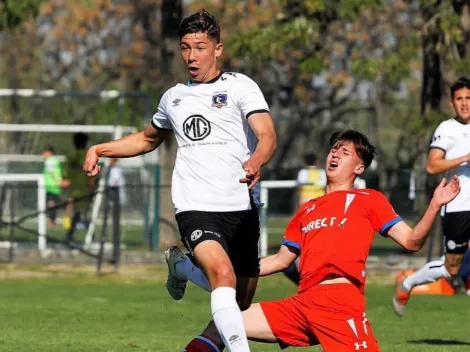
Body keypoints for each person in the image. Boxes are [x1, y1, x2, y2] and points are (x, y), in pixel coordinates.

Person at [82, 9, 277, 352]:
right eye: (185, 47)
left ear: (217, 49)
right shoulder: (174, 97)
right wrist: (101, 148)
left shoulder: (240, 86)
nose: (191, 56)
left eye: (200, 47)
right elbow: (147, 139)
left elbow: (267, 135)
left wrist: (257, 159)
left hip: (241, 206)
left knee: (241, 300)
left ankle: (184, 270)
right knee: (224, 276)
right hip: (195, 205)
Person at [172, 129, 459, 352]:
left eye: (345, 152)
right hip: (301, 304)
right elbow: (281, 260)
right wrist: (232, 270)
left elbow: (411, 242)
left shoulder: (369, 200)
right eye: (334, 149)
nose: (335, 154)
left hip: (339, 305)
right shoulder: (306, 209)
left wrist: (435, 204)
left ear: (359, 168)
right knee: (224, 322)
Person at [393, 77, 470, 317]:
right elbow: (432, 166)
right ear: (451, 103)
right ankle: (408, 284)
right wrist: (464, 157)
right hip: (457, 206)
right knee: (451, 268)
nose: (465, 103)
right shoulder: (447, 129)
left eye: (469, 98)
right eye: (459, 99)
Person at [62, 132, 96, 238]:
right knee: (84, 213)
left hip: (76, 190)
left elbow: (66, 174)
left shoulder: (72, 156)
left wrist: (66, 180)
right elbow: (94, 175)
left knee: (78, 214)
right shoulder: (88, 155)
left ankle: (71, 236)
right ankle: (90, 236)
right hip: (86, 190)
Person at [42, 146, 62, 227]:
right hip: (54, 186)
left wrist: (58, 181)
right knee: (52, 204)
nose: (43, 154)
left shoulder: (49, 161)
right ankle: (52, 221)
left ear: (50, 153)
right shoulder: (54, 161)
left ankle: (52, 221)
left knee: (51, 204)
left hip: (51, 186)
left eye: (45, 152)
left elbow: (52, 173)